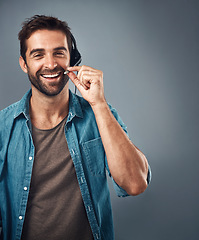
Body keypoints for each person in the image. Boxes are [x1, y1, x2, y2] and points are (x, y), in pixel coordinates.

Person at [0, 15, 151, 240]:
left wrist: (98, 103)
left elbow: (136, 184)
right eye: (38, 54)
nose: (50, 64)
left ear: (74, 59)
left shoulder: (99, 115)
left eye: (59, 53)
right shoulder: (3, 126)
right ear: (24, 64)